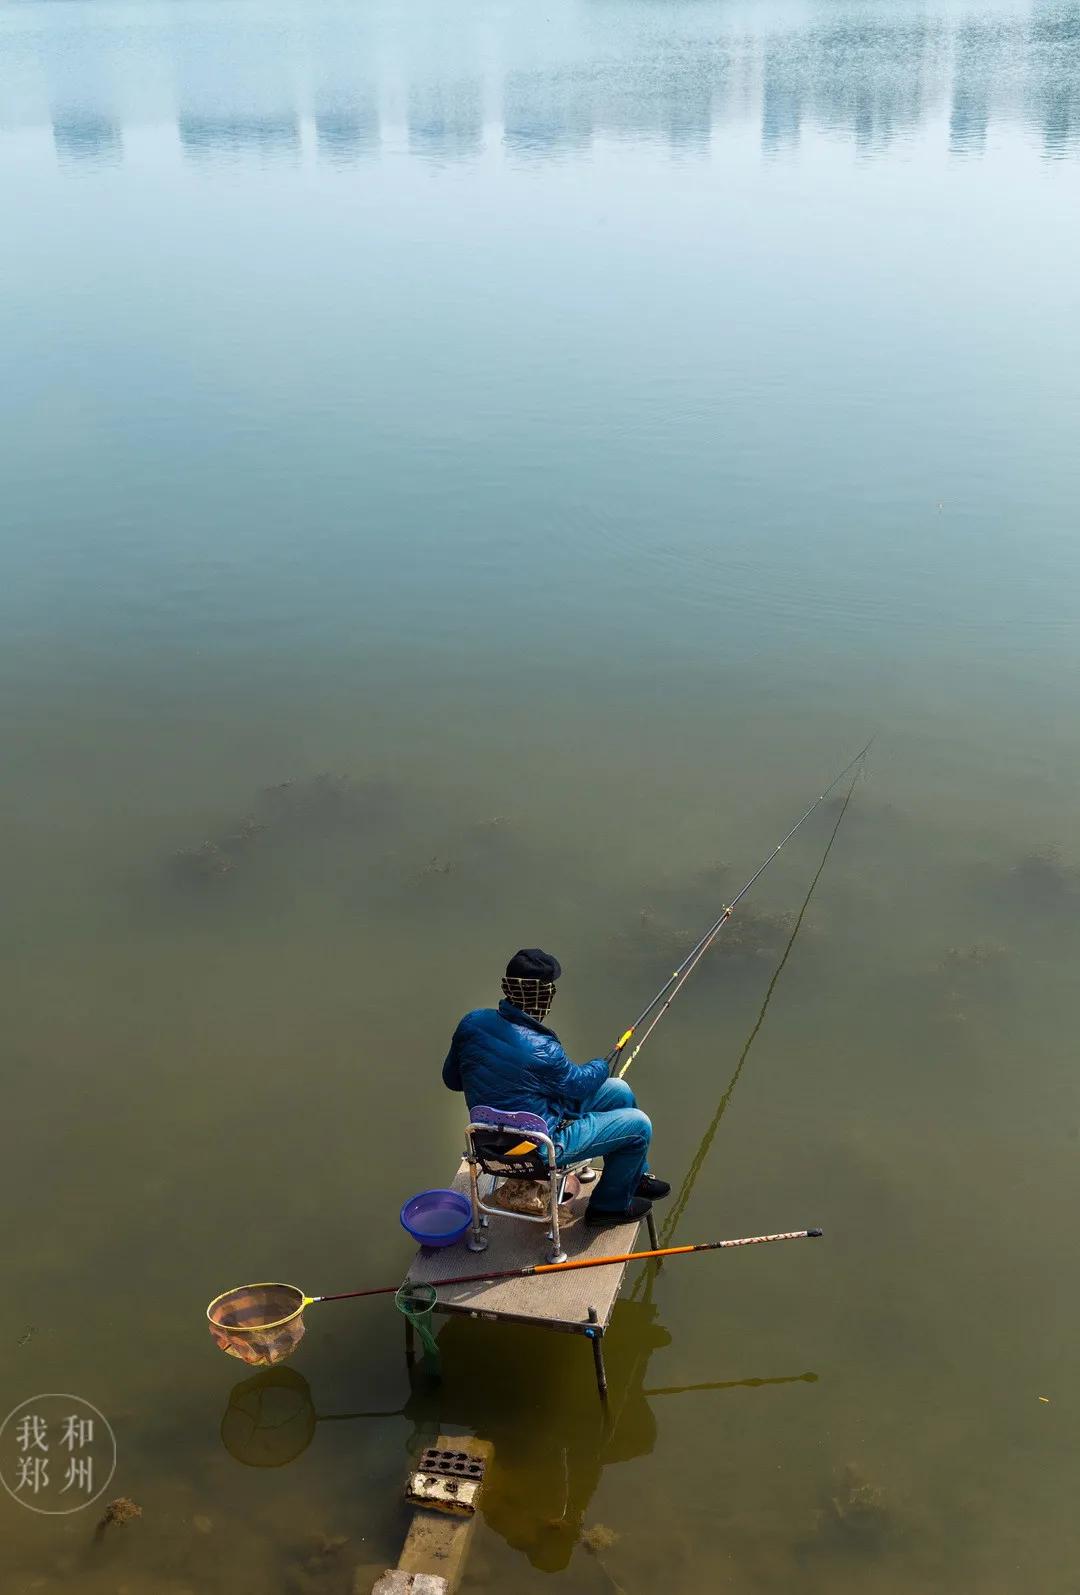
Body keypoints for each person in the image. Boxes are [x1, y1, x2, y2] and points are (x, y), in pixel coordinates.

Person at [442, 948, 669, 1226]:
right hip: (537, 1148)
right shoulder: (542, 1048)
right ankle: (608, 1207)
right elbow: (577, 1086)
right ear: (544, 994)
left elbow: (452, 1080)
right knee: (639, 1125)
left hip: (488, 1138)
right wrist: (600, 1065)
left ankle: (635, 1177)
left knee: (619, 1091)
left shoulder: (471, 1023)